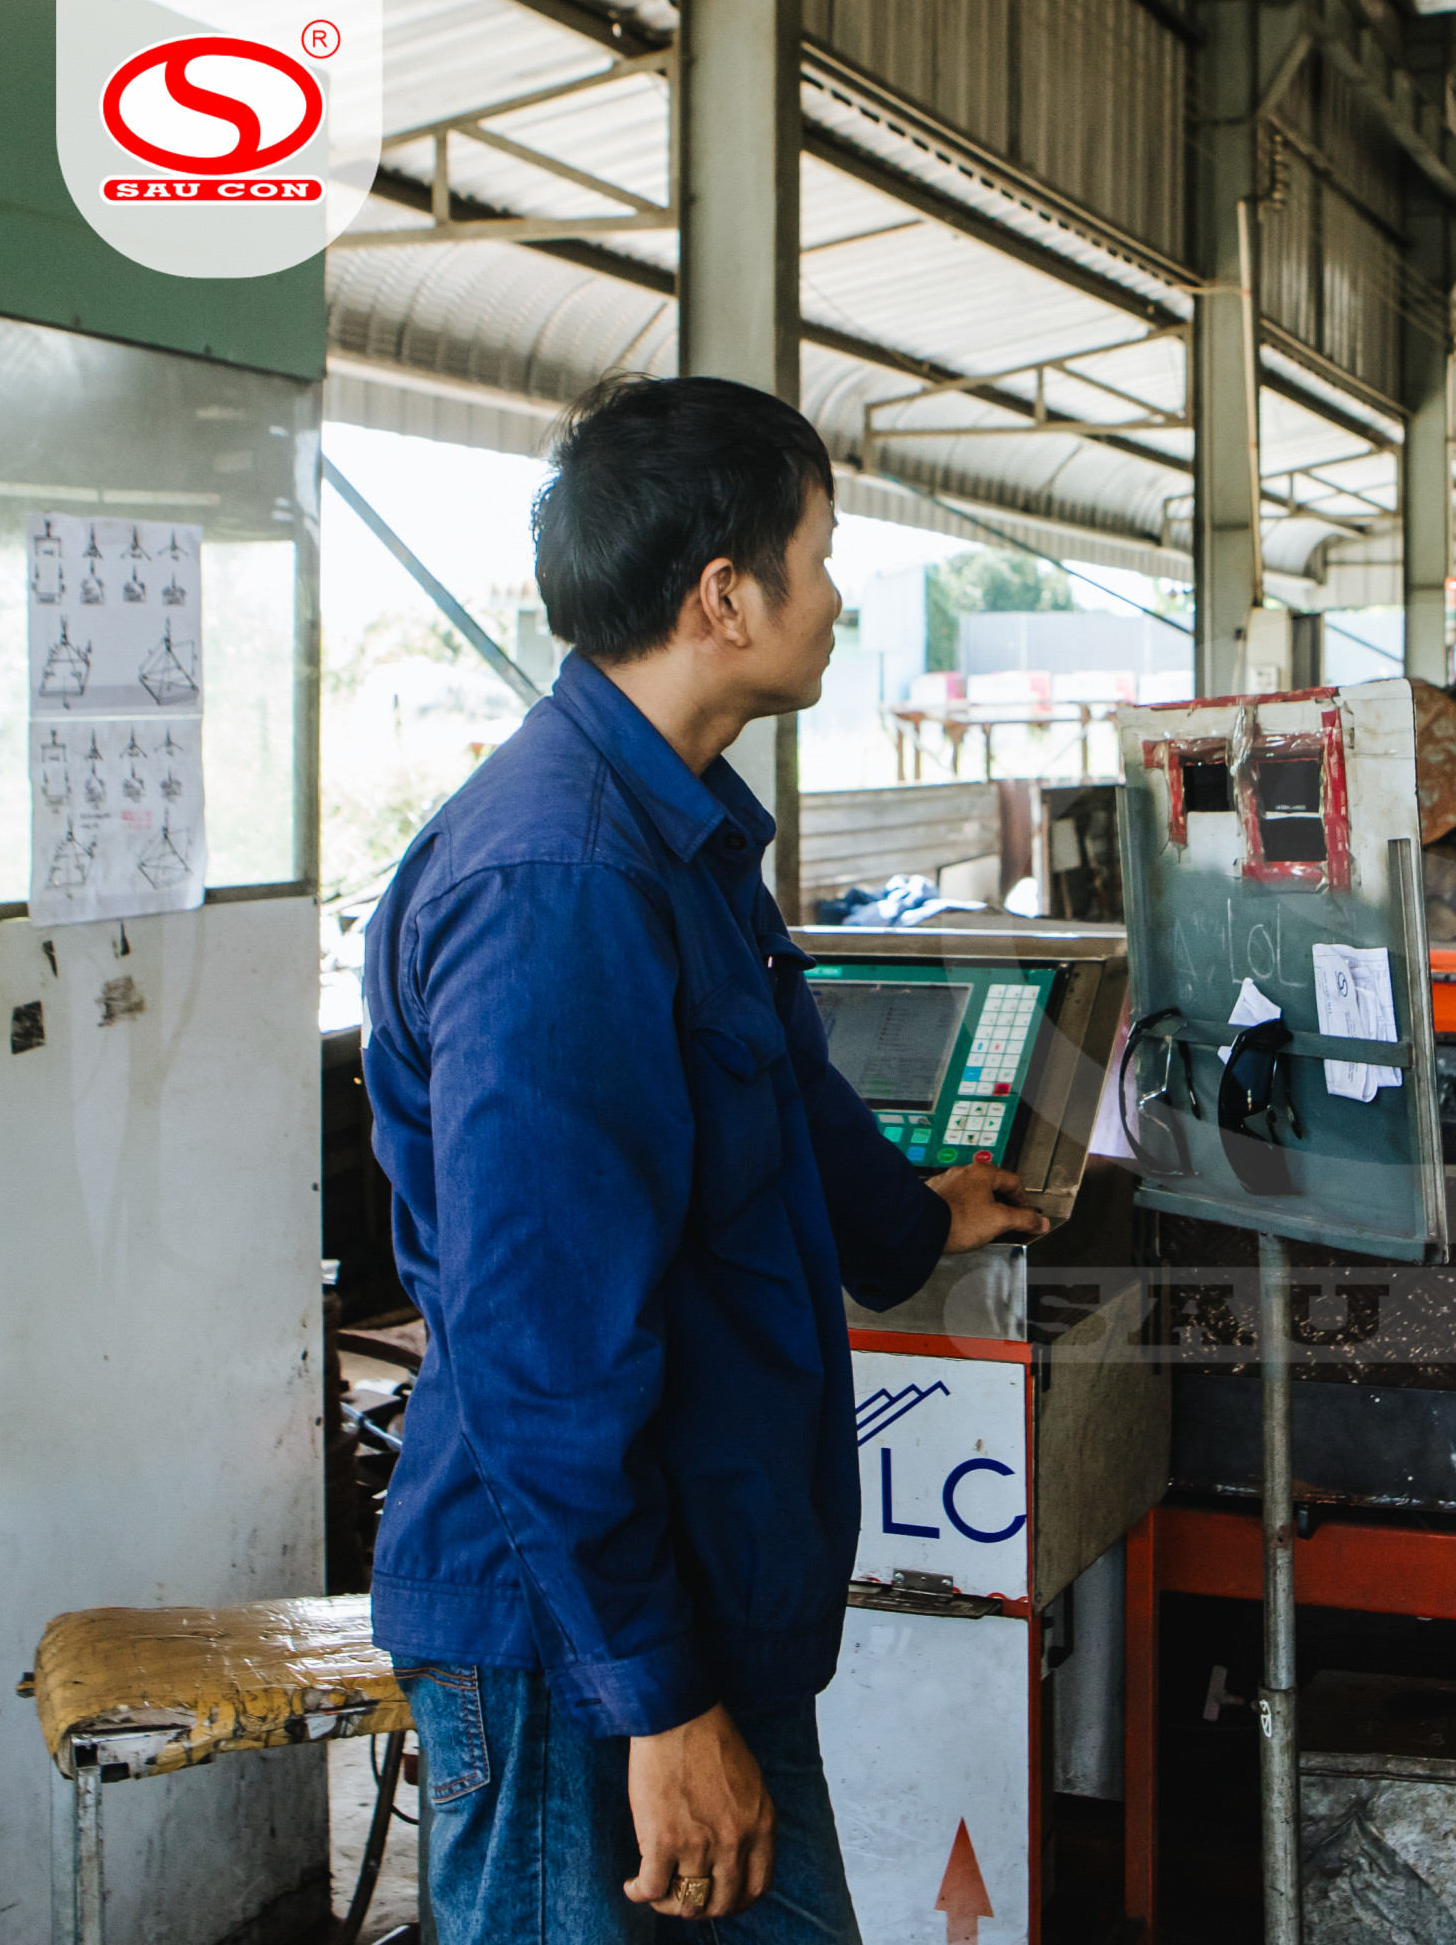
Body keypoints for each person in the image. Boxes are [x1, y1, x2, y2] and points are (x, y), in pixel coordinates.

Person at [361, 374, 1047, 1941]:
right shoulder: (560, 880)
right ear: (725, 597)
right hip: (573, 1636)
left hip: (694, 1589)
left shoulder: (680, 836)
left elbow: (785, 1095)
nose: (839, 595)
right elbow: (543, 1342)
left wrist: (916, 1221)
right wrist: (655, 1701)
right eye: (821, 555)